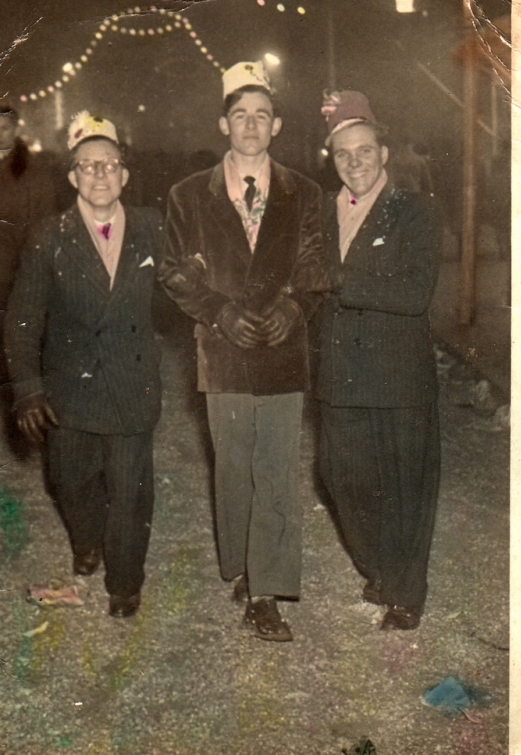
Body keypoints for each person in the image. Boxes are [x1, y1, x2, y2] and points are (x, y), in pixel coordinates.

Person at [160, 61, 328, 642]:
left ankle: (266, 593)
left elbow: (315, 264)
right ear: (223, 124)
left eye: (262, 115)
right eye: (240, 115)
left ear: (277, 125)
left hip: (282, 350)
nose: (251, 125)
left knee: (276, 469)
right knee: (233, 467)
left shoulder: (304, 193)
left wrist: (294, 309)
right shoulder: (188, 195)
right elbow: (173, 272)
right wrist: (218, 311)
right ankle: (242, 565)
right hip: (224, 353)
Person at [5, 111, 164, 618]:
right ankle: (87, 538)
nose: (99, 174)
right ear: (72, 177)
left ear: (125, 175)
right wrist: (28, 389)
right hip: (69, 389)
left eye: (109, 164)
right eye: (88, 166)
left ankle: (125, 581)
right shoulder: (49, 236)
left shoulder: (152, 228)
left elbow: (182, 287)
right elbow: (23, 317)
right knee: (69, 480)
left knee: (131, 489)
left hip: (131, 382)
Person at [316, 91, 442, 631]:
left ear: (384, 153)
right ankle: (379, 570)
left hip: (397, 376)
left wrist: (339, 280)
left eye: (364, 150)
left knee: (405, 486)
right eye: (343, 154)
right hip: (339, 374)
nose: (355, 163)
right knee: (340, 477)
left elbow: (414, 293)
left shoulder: (415, 210)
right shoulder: (322, 213)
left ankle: (404, 593)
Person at [0, 106, 57, 450]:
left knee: (14, 358)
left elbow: (44, 231)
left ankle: (24, 433)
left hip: (14, 282)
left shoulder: (33, 174)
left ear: (16, 129)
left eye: (4, 128)